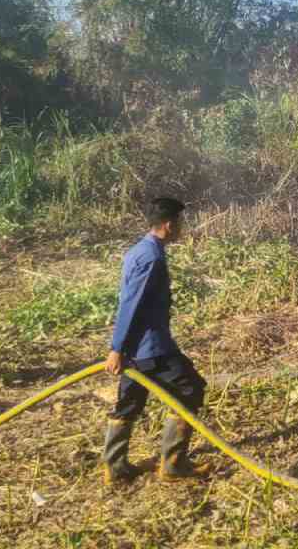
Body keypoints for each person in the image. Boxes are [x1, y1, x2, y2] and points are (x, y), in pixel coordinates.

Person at [102, 197, 209, 483]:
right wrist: (116, 349)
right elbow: (131, 304)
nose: (183, 228)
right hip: (151, 347)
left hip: (136, 349)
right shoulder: (151, 257)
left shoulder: (140, 250)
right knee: (191, 389)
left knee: (129, 403)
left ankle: (115, 467)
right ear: (169, 224)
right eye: (181, 223)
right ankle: (174, 465)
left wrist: (123, 349)